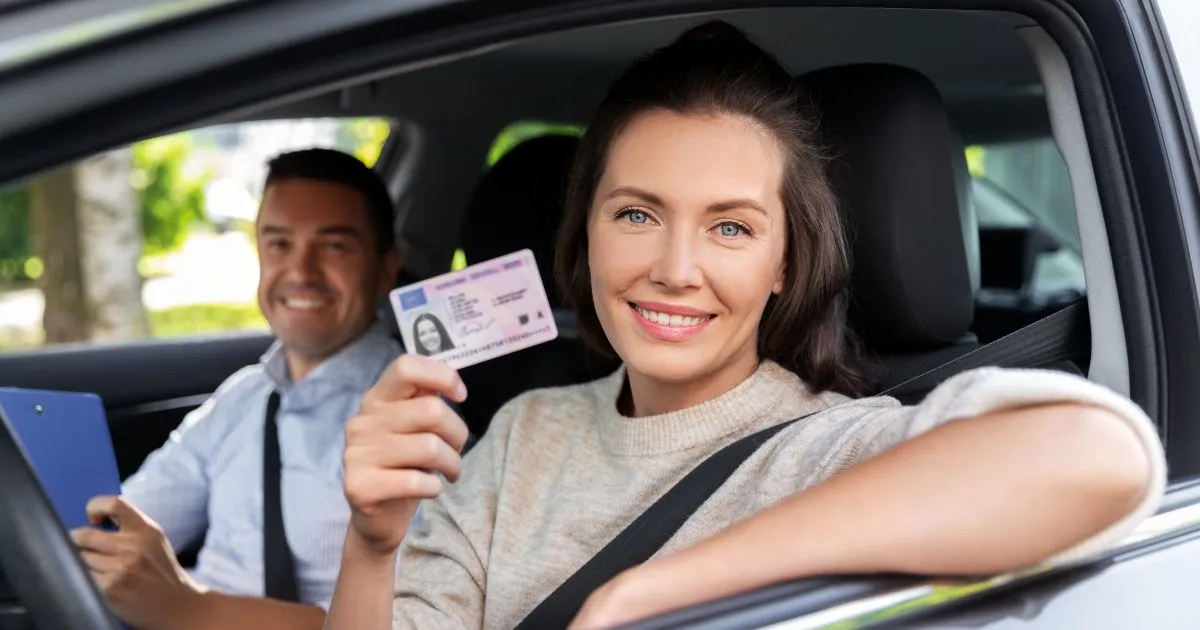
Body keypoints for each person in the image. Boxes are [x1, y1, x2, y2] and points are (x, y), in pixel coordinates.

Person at [324, 22, 1166, 630]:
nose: (675, 267)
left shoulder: (832, 448)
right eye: (637, 214)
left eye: (731, 227)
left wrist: (648, 596)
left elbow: (1102, 454)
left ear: (785, 266)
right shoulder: (521, 434)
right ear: (585, 232)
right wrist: (372, 543)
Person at [69, 148, 404, 630]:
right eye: (279, 244)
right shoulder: (242, 399)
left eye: (334, 247)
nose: (301, 272)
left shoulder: (413, 420)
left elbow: (412, 620)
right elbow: (117, 522)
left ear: (386, 268)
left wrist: (188, 607)